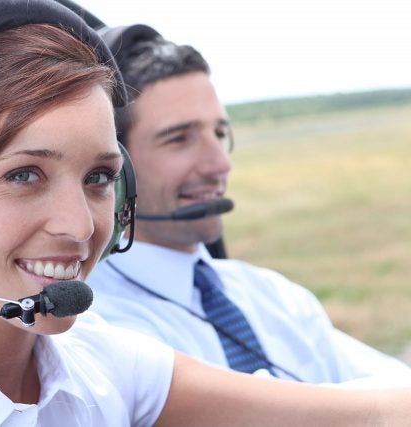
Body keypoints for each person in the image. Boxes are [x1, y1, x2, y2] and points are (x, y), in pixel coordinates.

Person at [0, 1, 411, 426]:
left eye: (98, 178)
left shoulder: (98, 364)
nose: (78, 225)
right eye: (23, 175)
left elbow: (375, 414)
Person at [87, 23, 411, 383]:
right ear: (115, 168)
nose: (220, 164)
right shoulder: (100, 329)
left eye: (220, 133)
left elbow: (391, 390)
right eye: (180, 139)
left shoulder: (274, 295)